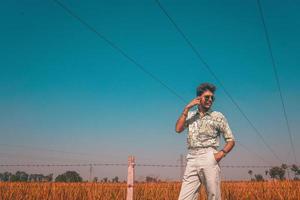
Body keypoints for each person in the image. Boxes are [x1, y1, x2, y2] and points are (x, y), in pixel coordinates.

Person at [175, 83, 235, 200]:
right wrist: (186, 108)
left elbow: (231, 140)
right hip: (192, 157)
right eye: (207, 97)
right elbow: (178, 129)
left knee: (213, 196)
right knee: (185, 197)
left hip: (209, 156)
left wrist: (220, 154)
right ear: (198, 98)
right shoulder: (190, 115)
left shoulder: (218, 116)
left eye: (212, 98)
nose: (210, 100)